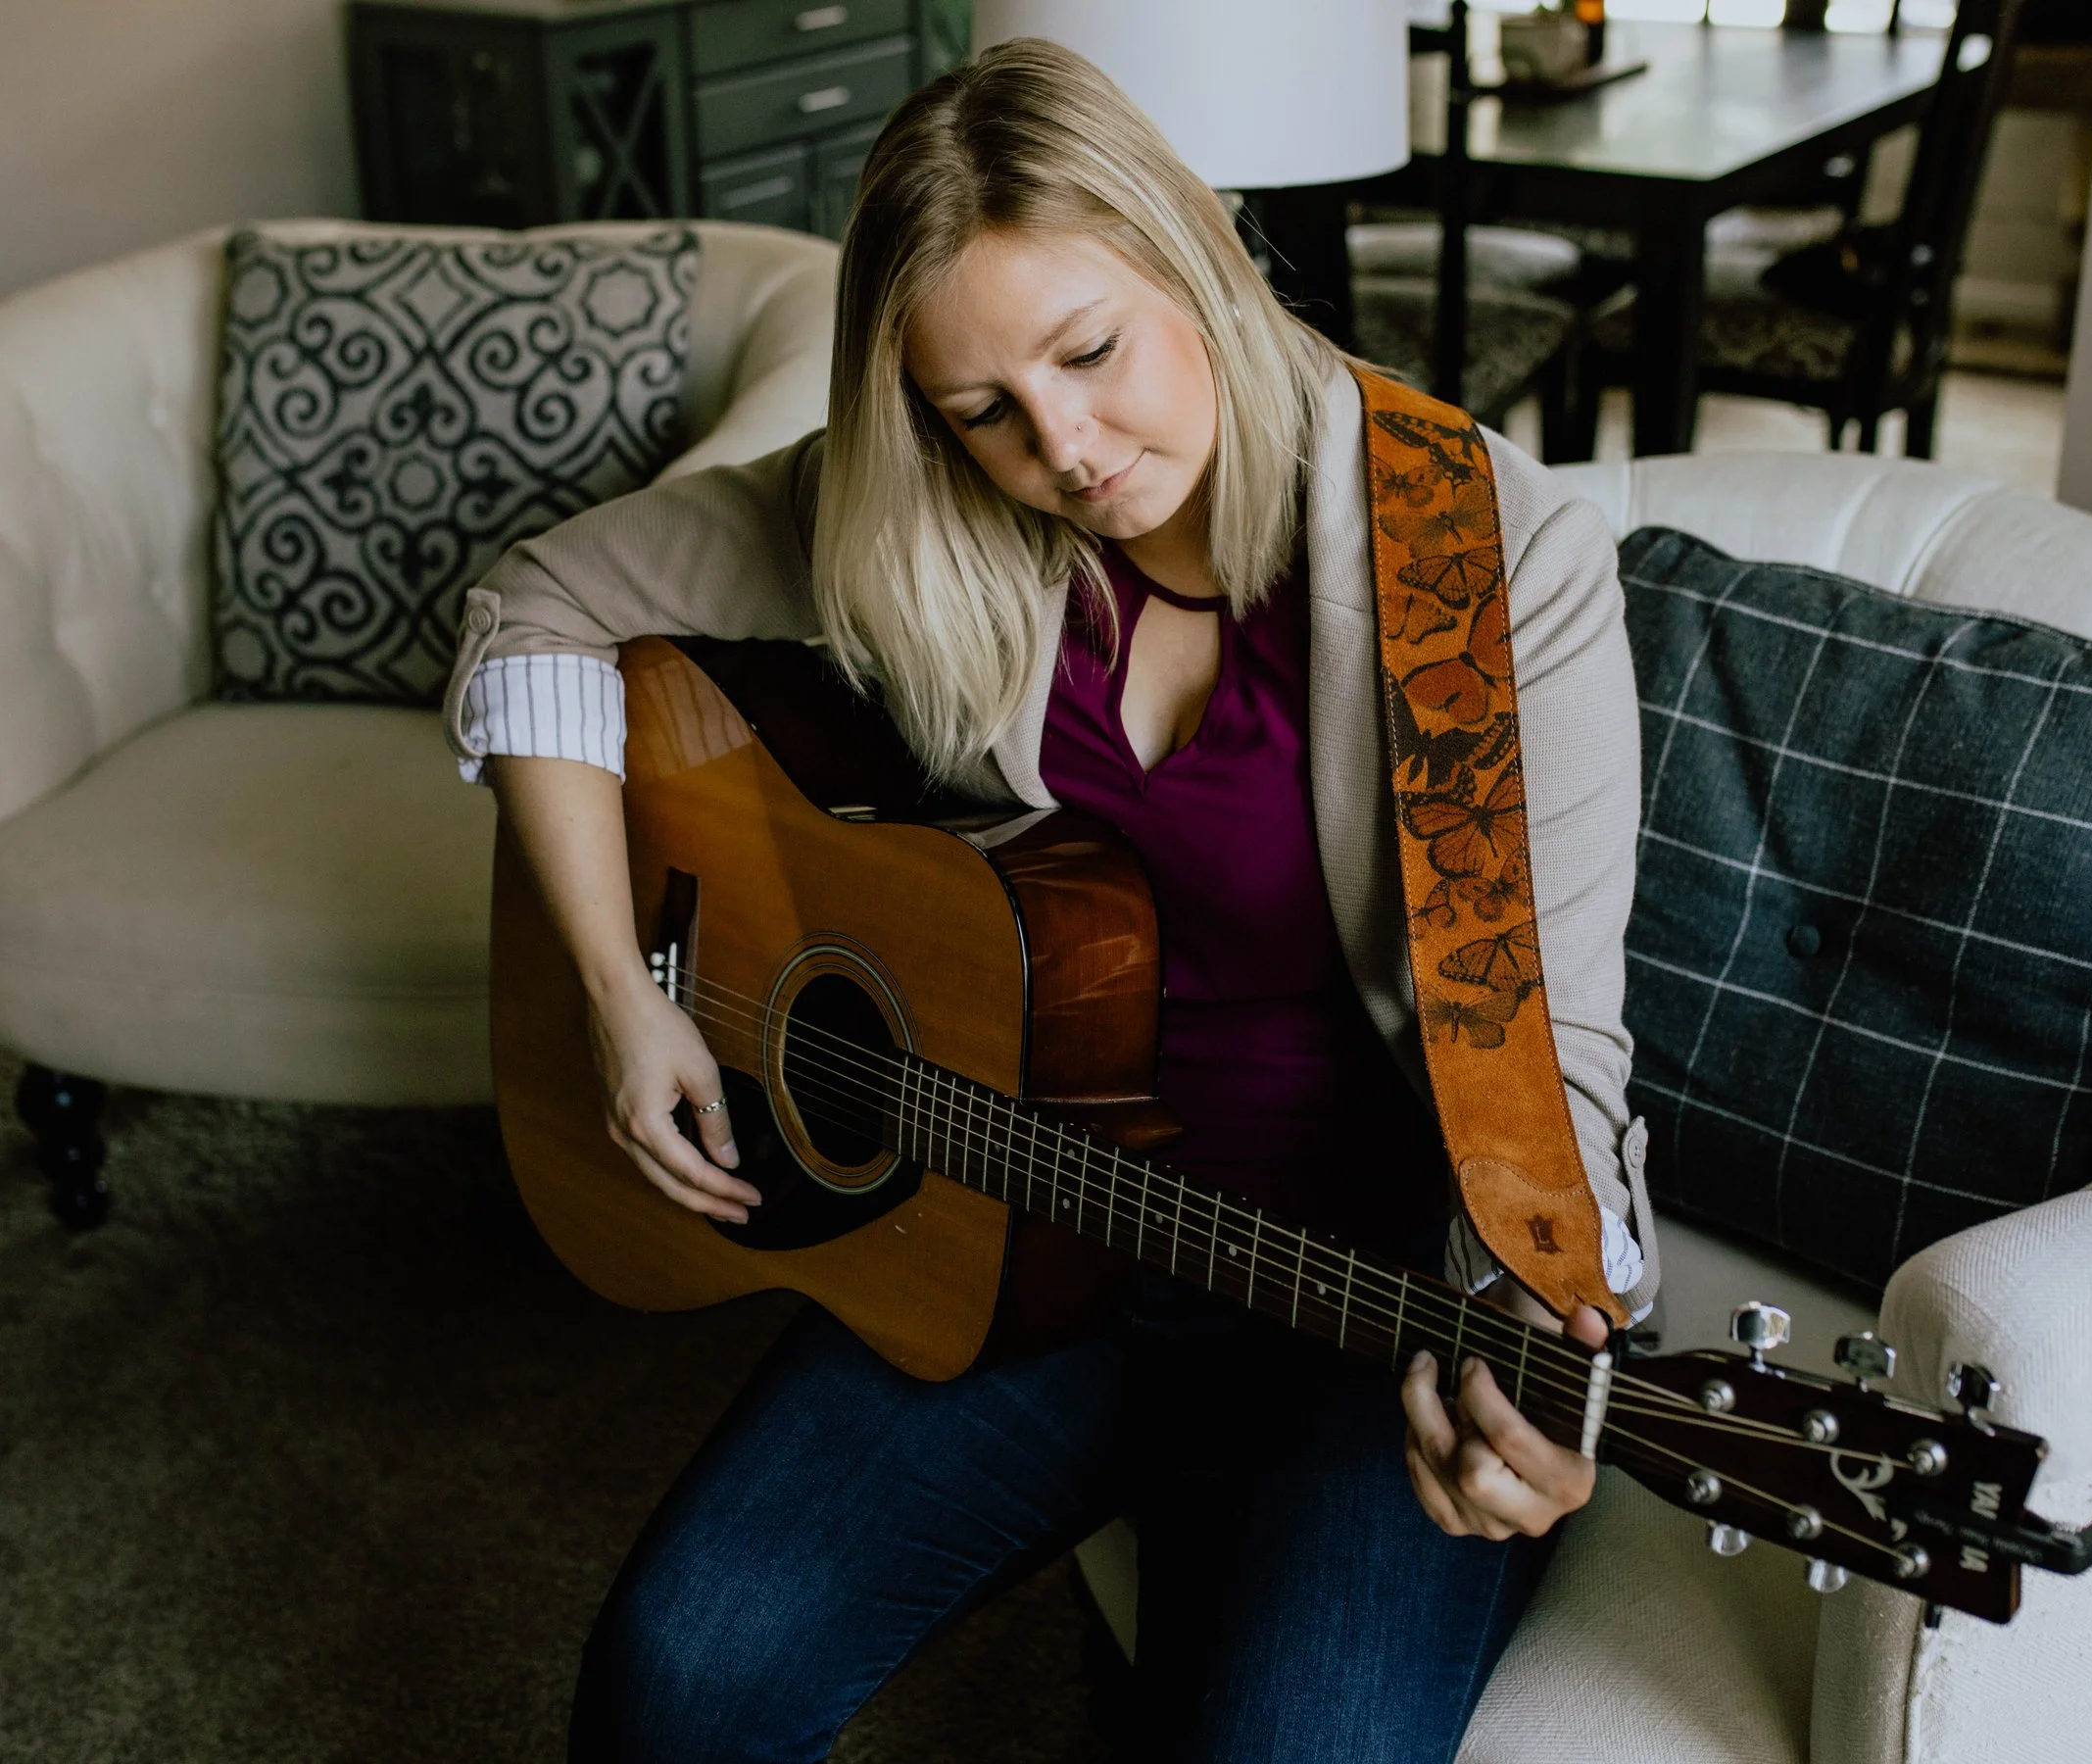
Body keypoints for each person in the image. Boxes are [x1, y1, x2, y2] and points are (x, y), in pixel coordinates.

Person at [445, 38, 1648, 1764]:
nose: (1066, 448)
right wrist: (624, 997)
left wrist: (1534, 1352)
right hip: (1015, 1230)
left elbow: (1557, 1058)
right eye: (982, 409)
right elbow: (539, 604)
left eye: (1091, 352)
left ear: (1199, 256)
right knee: (676, 1684)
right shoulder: (916, 519)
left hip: (1360, 1310)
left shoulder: (1483, 560)